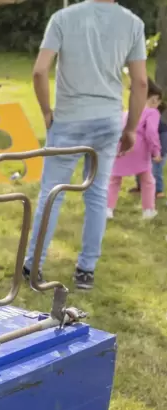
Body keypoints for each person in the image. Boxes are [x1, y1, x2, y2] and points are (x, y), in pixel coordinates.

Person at [23, 0, 148, 291]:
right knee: (97, 195)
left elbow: (40, 71)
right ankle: (85, 272)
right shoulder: (133, 23)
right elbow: (140, 83)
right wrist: (131, 129)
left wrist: (45, 112)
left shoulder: (63, 18)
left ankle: (32, 266)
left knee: (52, 195)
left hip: (68, 120)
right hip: (107, 122)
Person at [107, 79, 163, 220]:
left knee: (114, 180)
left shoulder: (127, 112)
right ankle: (148, 210)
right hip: (139, 150)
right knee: (148, 180)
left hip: (121, 147)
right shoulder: (152, 113)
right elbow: (151, 133)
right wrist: (156, 151)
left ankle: (108, 209)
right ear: (153, 99)